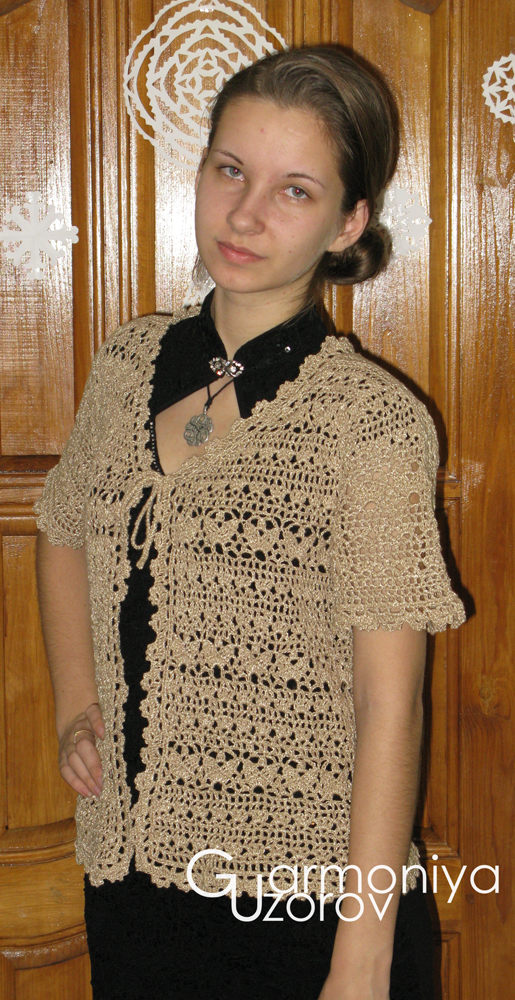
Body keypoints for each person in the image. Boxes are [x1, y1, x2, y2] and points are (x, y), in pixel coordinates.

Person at [35, 45, 466, 1000]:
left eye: (293, 190)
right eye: (230, 170)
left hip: (307, 907)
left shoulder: (370, 422)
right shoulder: (127, 364)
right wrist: (75, 705)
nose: (244, 213)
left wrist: (362, 954)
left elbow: (388, 702)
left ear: (348, 223)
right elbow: (63, 529)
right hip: (132, 884)